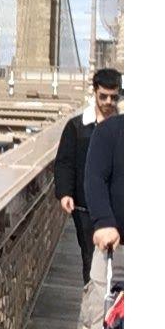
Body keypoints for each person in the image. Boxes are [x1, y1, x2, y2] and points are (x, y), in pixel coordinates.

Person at [54, 68, 122, 284]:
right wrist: (65, 192)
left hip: (116, 208)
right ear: (94, 93)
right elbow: (64, 162)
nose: (109, 102)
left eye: (114, 96)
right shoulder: (76, 127)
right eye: (103, 96)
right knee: (89, 256)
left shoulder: (123, 129)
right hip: (84, 208)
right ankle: (92, 294)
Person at [79, 109, 124, 329]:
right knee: (99, 320)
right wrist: (104, 221)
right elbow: (94, 177)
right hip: (115, 247)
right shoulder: (110, 132)